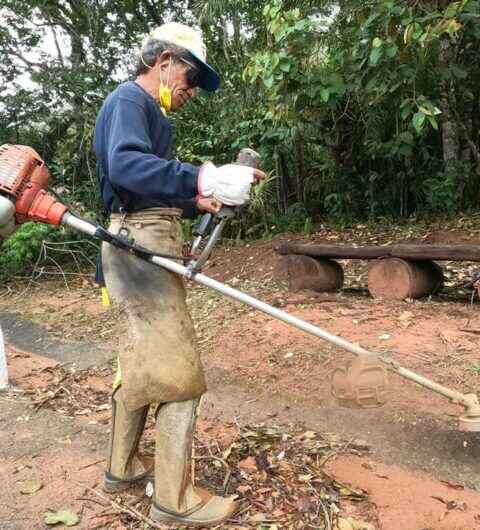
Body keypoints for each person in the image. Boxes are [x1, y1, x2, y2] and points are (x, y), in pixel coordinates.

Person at [92, 22, 266, 526]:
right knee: (180, 375)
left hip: (140, 240)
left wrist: (196, 199)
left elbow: (146, 186)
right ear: (163, 60)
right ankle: (174, 498)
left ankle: (121, 467)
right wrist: (202, 174)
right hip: (139, 247)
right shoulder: (130, 100)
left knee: (143, 363)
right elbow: (125, 168)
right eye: (189, 77)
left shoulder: (147, 113)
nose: (189, 91)